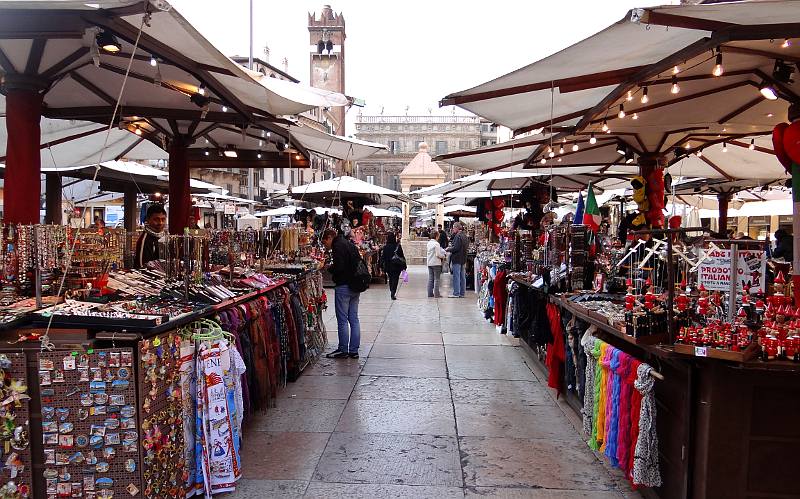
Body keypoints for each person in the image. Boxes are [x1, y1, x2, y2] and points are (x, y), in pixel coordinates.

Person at [322, 228, 362, 359]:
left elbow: (339, 266)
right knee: (354, 319)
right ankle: (354, 350)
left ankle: (343, 349)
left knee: (342, 320)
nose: (325, 246)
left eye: (324, 242)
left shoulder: (337, 246)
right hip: (356, 285)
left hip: (344, 286)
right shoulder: (349, 244)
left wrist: (329, 268)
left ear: (329, 238)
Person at [134, 204, 167, 268]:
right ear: (148, 220)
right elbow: (143, 266)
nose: (160, 223)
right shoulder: (145, 240)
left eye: (163, 219)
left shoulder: (165, 236)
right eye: (156, 219)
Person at [446, 222, 470, 298]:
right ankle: (462, 293)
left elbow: (456, 248)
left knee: (456, 276)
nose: (453, 229)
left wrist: (448, 249)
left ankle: (456, 293)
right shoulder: (465, 236)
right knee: (462, 276)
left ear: (456, 228)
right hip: (463, 258)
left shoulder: (458, 236)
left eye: (453, 228)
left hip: (457, 258)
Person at [382, 232, 405, 300]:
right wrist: (404, 266)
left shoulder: (385, 247)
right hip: (396, 266)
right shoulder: (398, 246)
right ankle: (393, 292)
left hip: (388, 266)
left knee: (391, 279)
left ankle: (391, 290)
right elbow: (402, 256)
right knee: (395, 279)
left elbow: (383, 257)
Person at [427, 231, 446, 298]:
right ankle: (436, 294)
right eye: (438, 236)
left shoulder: (429, 243)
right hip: (436, 263)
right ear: (436, 236)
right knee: (437, 279)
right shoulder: (436, 244)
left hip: (429, 263)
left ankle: (429, 293)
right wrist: (443, 256)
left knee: (430, 278)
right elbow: (438, 254)